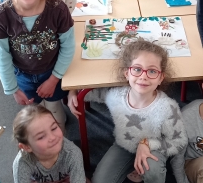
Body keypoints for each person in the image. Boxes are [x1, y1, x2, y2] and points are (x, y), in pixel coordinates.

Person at [68, 40, 187, 183]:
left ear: (161, 78)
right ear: (127, 73)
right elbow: (91, 94)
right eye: (137, 69)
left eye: (152, 71)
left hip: (154, 147)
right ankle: (132, 165)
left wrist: (147, 144)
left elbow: (179, 141)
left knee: (154, 172)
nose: (143, 76)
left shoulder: (167, 108)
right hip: (125, 145)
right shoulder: (116, 96)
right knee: (100, 180)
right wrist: (72, 92)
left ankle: (146, 168)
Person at [0, 0, 75, 130]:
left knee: (55, 109)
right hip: (23, 75)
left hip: (53, 71)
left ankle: (59, 136)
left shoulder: (58, 10)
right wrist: (13, 89)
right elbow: (2, 56)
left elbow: (68, 46)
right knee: (34, 113)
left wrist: (54, 79)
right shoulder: (0, 17)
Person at [12, 105, 87, 183]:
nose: (52, 137)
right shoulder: (22, 162)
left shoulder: (73, 153)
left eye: (54, 128)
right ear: (26, 147)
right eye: (41, 137)